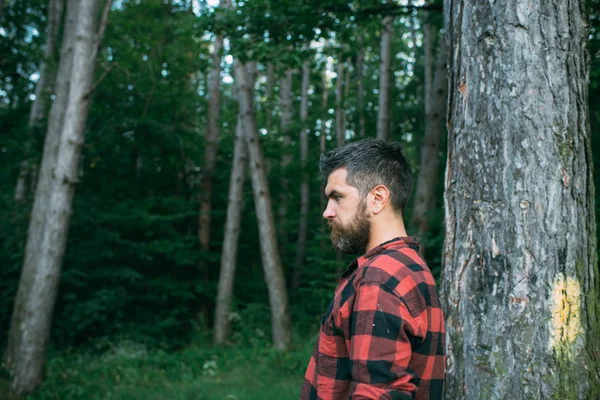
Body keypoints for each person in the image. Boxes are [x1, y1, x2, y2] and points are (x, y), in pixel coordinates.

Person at [300, 138, 445, 400]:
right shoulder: (411, 267)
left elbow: (380, 393)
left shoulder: (380, 276)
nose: (327, 212)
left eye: (337, 197)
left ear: (377, 198)